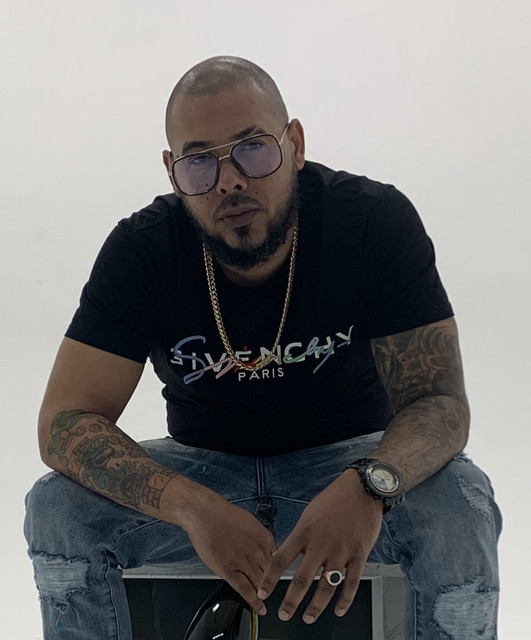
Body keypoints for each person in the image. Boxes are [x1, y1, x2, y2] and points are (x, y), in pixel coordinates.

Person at [24, 55, 501, 639]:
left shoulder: (372, 222)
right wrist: (192, 507)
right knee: (58, 508)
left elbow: (440, 403)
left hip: (347, 466)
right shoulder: (142, 249)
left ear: (294, 144)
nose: (229, 180)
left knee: (462, 503)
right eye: (200, 161)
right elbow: (64, 423)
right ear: (173, 172)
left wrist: (369, 485)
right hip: (206, 474)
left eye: (252, 148)